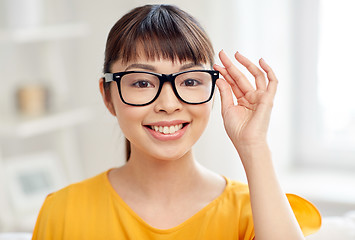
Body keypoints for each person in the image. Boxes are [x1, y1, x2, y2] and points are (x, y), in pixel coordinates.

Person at [32, 4, 321, 240]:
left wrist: (254, 145)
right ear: (108, 96)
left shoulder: (254, 212)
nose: (168, 105)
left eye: (191, 80)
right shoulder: (63, 213)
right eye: (143, 83)